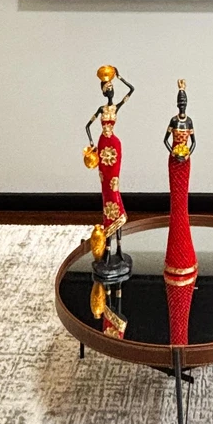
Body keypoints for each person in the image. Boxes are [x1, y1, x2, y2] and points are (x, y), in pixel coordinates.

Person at [85, 65, 133, 282]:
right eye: (108, 87)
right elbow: (87, 126)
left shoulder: (116, 108)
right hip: (103, 147)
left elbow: (131, 90)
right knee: (107, 190)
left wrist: (119, 75)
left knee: (114, 187)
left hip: (114, 146)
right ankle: (109, 245)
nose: (110, 90)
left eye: (111, 87)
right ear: (103, 91)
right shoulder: (101, 109)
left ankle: (117, 246)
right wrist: (91, 145)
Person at [163, 80, 198, 346]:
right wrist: (175, 151)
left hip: (185, 161)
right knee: (176, 200)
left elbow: (195, 142)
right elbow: (164, 139)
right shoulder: (174, 121)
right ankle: (177, 251)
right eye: (180, 101)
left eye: (184, 101)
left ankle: (183, 250)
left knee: (182, 200)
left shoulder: (189, 122)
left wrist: (186, 153)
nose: (182, 104)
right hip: (175, 160)